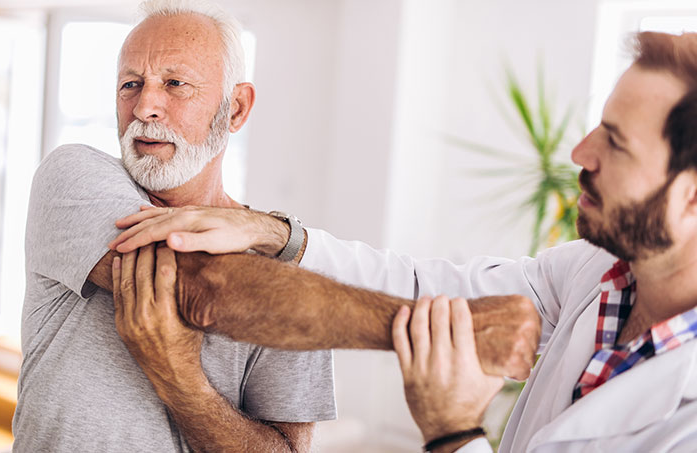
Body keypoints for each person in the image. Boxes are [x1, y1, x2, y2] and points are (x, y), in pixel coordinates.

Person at [108, 31, 697, 451]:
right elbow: (426, 287)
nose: (580, 153)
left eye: (616, 142)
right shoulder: (595, 272)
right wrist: (276, 234)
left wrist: (454, 432)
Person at [12, 1, 337, 451]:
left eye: (175, 84)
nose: (144, 107)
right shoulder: (71, 177)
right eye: (131, 84)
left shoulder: (291, 270)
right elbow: (196, 285)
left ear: (236, 109)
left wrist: (184, 384)